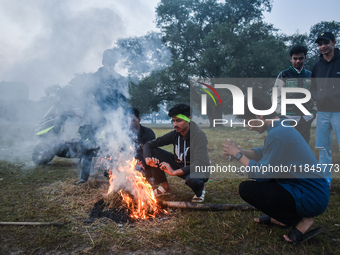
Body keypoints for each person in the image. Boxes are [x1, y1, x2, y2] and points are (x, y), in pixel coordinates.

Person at [222, 97, 330, 244]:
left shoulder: (278, 134)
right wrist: (238, 151)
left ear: (259, 116)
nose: (250, 127)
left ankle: (300, 220)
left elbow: (262, 174)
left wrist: (238, 154)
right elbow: (262, 152)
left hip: (311, 196)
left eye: (248, 122)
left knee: (247, 189)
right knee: (263, 183)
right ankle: (281, 217)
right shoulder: (280, 127)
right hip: (311, 191)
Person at [143, 104, 210, 202]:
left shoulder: (199, 136)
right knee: (154, 151)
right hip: (180, 164)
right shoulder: (175, 134)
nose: (175, 124)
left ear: (188, 119)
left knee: (192, 179)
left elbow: (199, 163)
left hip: (198, 169)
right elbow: (148, 144)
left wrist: (174, 172)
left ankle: (200, 190)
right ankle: (166, 188)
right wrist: (148, 159)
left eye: (178, 121)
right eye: (173, 121)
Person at [311, 31, 340, 185]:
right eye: (320, 44)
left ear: (334, 43)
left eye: (326, 43)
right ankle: (325, 181)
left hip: (339, 112)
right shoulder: (317, 66)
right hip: (322, 112)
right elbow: (313, 87)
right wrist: (318, 97)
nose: (323, 47)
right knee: (323, 148)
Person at [274, 45, 315, 143]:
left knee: (304, 143)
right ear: (291, 58)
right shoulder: (284, 75)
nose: (298, 61)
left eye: (300, 58)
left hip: (306, 116)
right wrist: (280, 113)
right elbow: (277, 95)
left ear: (305, 58)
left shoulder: (310, 75)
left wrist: (314, 112)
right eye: (295, 58)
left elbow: (315, 94)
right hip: (288, 116)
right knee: (288, 142)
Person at [129, 107, 156, 183]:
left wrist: (140, 163)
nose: (129, 123)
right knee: (108, 171)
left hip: (145, 164)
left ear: (139, 119)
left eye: (132, 120)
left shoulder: (148, 133)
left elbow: (152, 152)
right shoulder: (125, 134)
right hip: (130, 164)